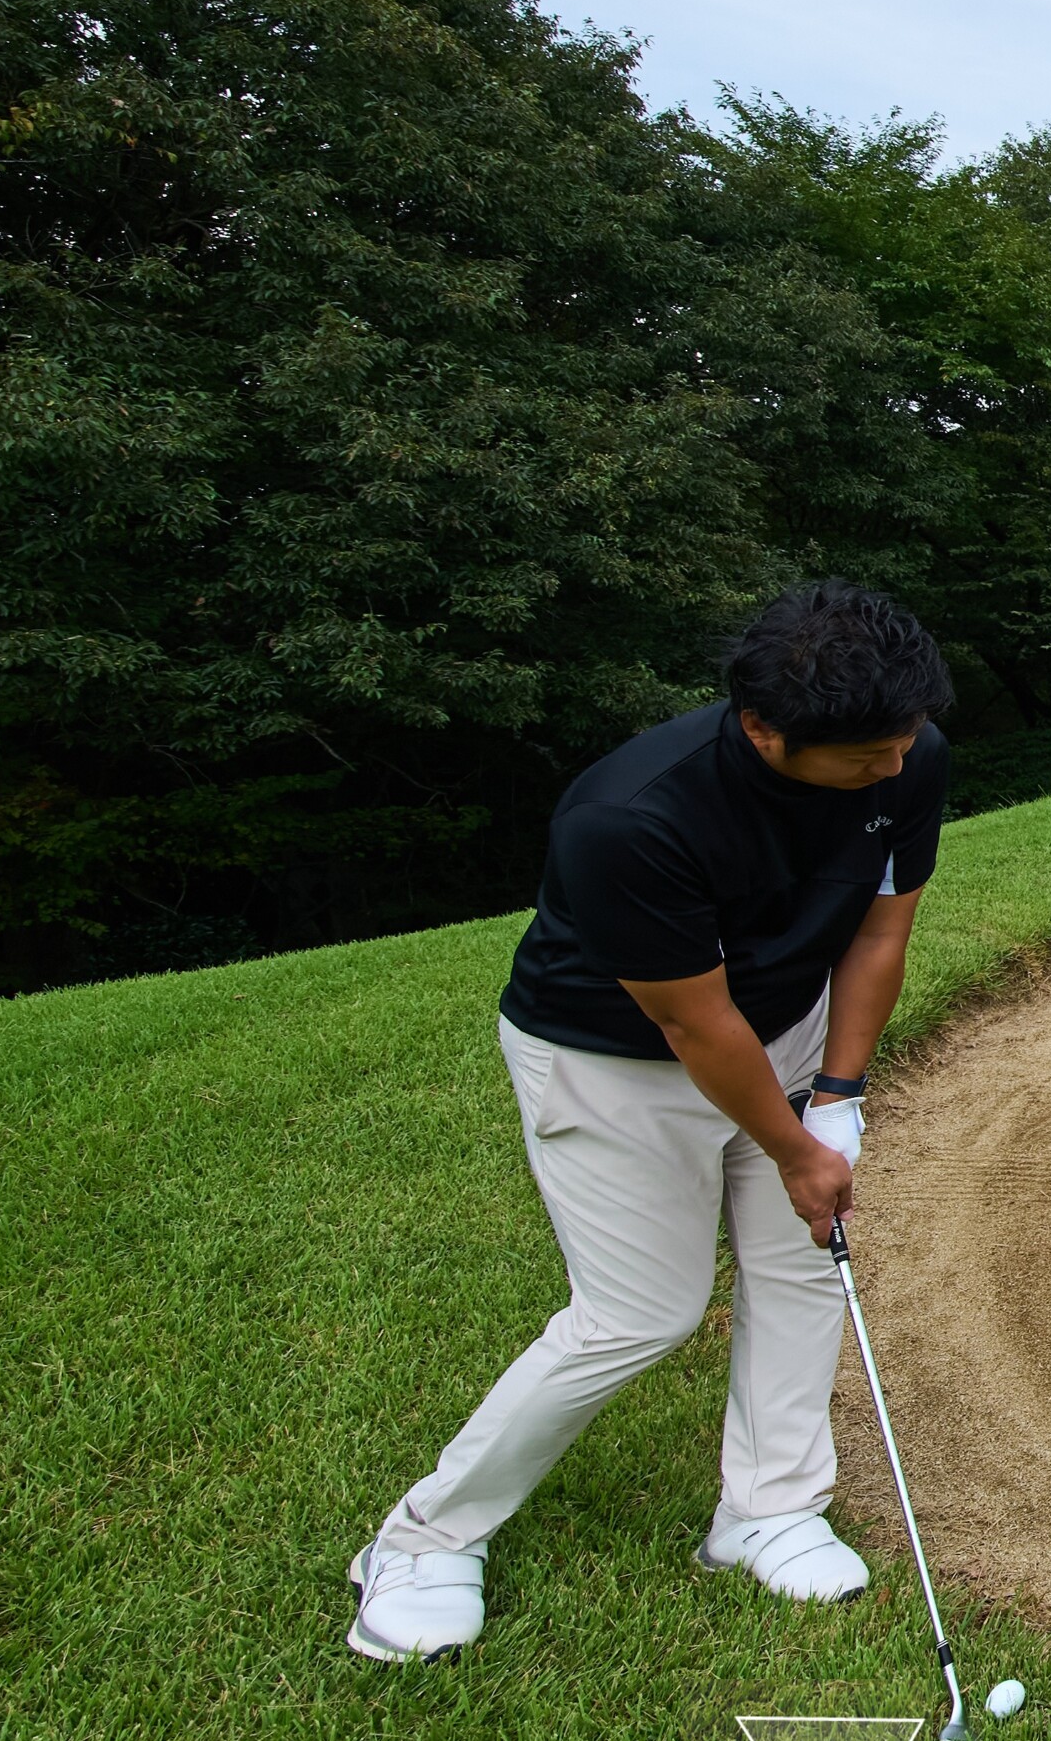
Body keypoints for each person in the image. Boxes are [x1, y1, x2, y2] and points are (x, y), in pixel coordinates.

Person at [347, 582, 957, 1663]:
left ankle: (768, 1509)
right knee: (640, 1311)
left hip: (786, 1021)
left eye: (904, 742)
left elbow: (876, 934)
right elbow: (692, 1021)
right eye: (870, 753)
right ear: (767, 731)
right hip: (612, 1059)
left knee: (808, 1264)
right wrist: (794, 1151)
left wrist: (841, 1098)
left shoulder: (903, 758)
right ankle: (424, 1539)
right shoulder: (631, 817)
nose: (897, 769)